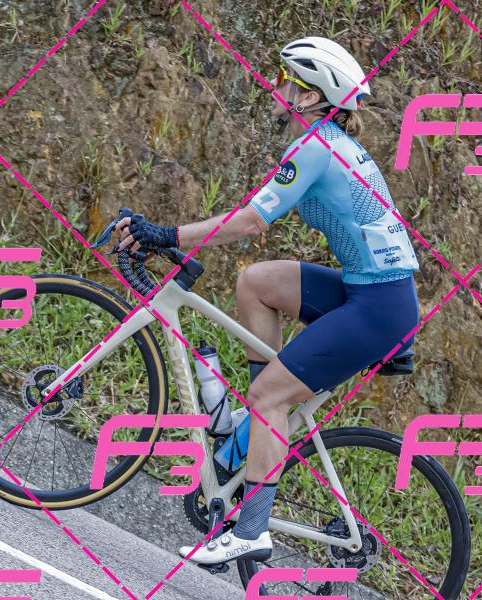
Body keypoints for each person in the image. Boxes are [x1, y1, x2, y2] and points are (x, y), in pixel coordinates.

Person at [113, 36, 421, 565]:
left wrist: (167, 234)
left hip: (380, 309)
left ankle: (252, 528)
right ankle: (245, 432)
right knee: (256, 282)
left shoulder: (317, 149)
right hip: (368, 290)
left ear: (310, 96)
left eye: (286, 81)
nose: (275, 88)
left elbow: (252, 221)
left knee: (270, 398)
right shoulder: (325, 142)